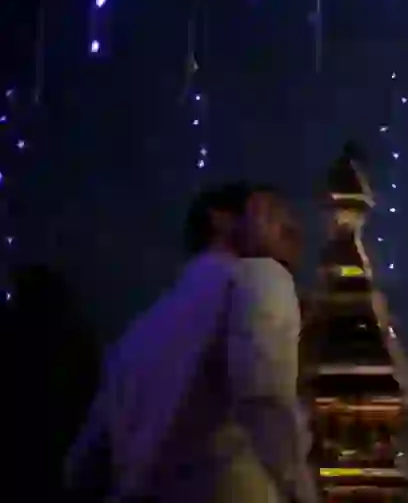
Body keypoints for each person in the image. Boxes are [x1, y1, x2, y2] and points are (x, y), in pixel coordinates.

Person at [64, 183, 318, 503]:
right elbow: (266, 401)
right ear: (220, 220)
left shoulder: (137, 333)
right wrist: (299, 488)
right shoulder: (260, 276)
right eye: (269, 211)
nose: (293, 229)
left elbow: (84, 462)